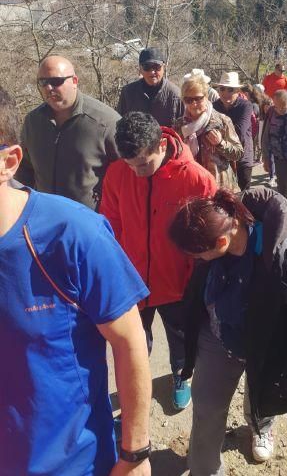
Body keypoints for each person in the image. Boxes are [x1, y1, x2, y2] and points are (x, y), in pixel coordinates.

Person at [0, 86, 152, 476]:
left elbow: (129, 339)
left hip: (70, 463)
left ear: (10, 161)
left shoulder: (73, 234)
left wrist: (135, 454)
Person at [169, 186, 287, 473]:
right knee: (206, 410)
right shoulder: (220, 235)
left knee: (261, 396)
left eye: (198, 255)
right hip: (218, 336)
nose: (195, 261)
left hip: (265, 345)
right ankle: (204, 469)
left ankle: (261, 424)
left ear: (220, 242)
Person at [100, 112, 216, 411]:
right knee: (134, 341)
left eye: (142, 164)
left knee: (181, 337)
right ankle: (135, 383)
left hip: (177, 281)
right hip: (132, 280)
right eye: (130, 165)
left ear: (162, 145)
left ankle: (182, 375)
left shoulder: (197, 178)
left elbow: (209, 234)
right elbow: (110, 225)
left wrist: (195, 275)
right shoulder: (117, 174)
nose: (137, 173)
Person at [16, 55, 120, 210]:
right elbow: (24, 171)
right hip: (45, 220)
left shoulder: (106, 123)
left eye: (56, 81)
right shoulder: (33, 122)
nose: (48, 88)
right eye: (43, 82)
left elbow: (126, 176)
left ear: (74, 81)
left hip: (89, 223)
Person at [174, 73, 243, 189]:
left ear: (206, 97)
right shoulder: (179, 126)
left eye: (198, 98)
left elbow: (238, 153)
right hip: (191, 186)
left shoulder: (221, 121)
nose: (193, 104)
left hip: (220, 188)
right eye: (188, 100)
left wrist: (221, 143)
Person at [117, 47, 184, 127]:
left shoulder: (176, 95)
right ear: (140, 69)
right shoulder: (128, 92)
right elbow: (120, 123)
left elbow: (182, 130)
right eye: (147, 67)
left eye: (156, 67)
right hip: (134, 139)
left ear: (164, 67)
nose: (152, 72)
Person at [213, 72, 254, 190]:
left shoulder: (246, 106)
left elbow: (240, 131)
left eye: (230, 89)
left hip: (242, 158)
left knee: (244, 197)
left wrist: (219, 136)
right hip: (221, 159)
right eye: (222, 89)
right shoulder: (214, 106)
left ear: (237, 91)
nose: (225, 93)